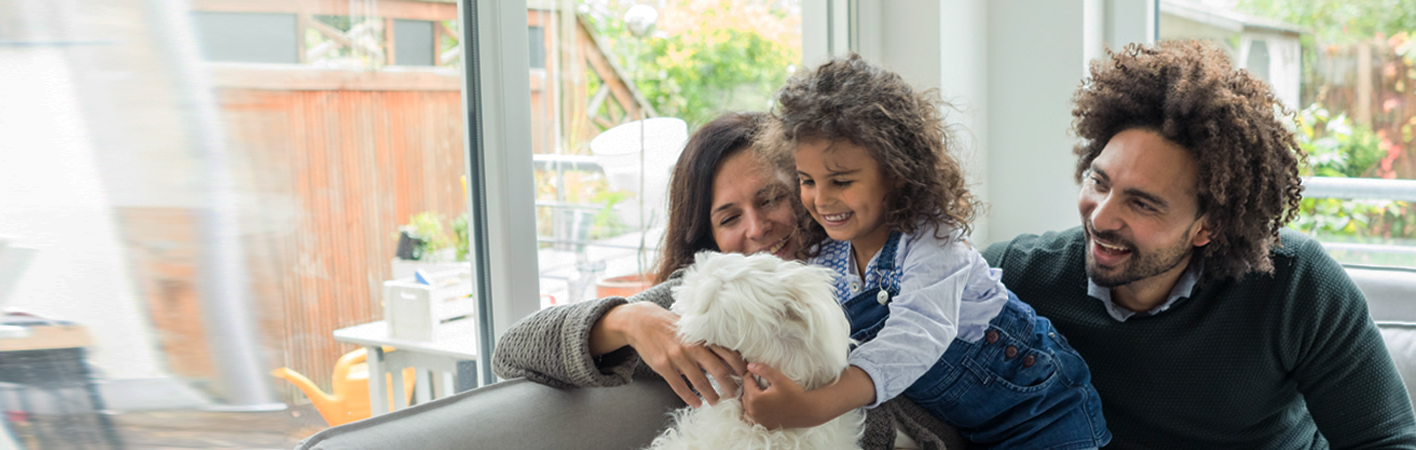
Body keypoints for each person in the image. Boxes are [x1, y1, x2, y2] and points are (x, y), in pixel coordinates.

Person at [982, 40, 1416, 448]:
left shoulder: (1294, 283)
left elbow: (1387, 441)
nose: (1100, 217)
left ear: (1209, 227)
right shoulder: (1017, 276)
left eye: (1142, 204)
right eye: (1100, 181)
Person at [493, 111, 961, 449]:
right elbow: (510, 351)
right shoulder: (707, 296)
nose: (757, 229)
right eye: (730, 216)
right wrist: (631, 321)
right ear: (709, 237)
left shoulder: (873, 254)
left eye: (771, 198)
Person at [738, 55, 1109, 449]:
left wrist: (813, 407)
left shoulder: (932, 238)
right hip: (973, 432)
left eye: (841, 181)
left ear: (895, 171)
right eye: (807, 180)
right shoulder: (823, 258)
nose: (822, 198)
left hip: (1043, 412)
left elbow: (916, 335)